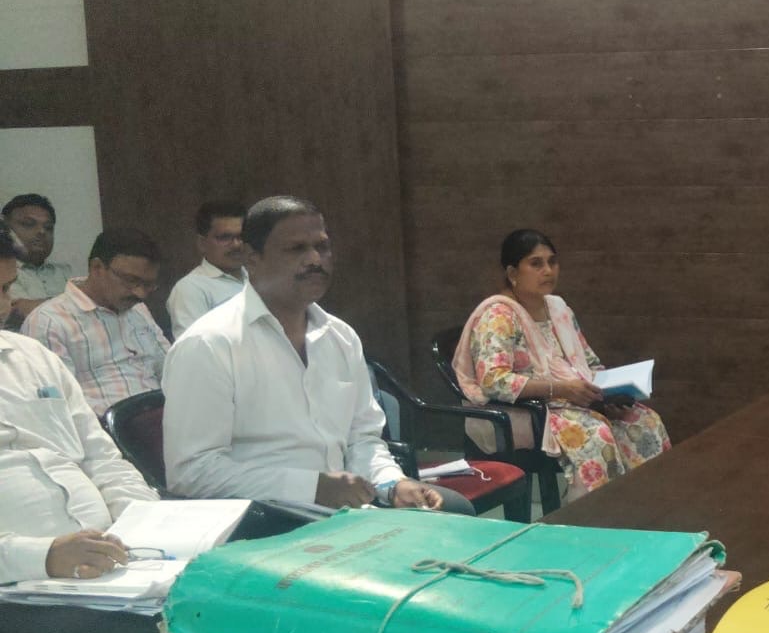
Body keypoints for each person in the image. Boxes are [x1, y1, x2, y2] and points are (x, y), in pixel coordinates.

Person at [162, 196, 470, 514]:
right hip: (267, 517)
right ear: (252, 259)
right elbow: (191, 473)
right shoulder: (209, 344)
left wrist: (391, 484)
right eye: (296, 249)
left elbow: (361, 439)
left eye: (322, 247)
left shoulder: (340, 337)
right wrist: (312, 487)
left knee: (452, 511)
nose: (314, 259)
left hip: (344, 510)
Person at [0, 237, 177, 633]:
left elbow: (101, 456)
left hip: (102, 568)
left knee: (212, 617)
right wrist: (43, 555)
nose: (2, 306)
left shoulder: (29, 357)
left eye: (5, 289)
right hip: (16, 586)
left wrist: (151, 521)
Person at [454, 229, 669, 500]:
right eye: (536, 263)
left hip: (573, 400)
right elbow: (494, 381)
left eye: (552, 262)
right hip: (526, 411)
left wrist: (607, 395)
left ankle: (642, 510)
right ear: (512, 272)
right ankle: (588, 517)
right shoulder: (498, 315)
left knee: (644, 422)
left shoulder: (558, 308)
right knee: (595, 434)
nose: (548, 271)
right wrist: (561, 389)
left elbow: (589, 363)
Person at [20, 227, 169, 415]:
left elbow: (171, 369)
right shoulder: (49, 322)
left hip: (162, 415)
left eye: (148, 285)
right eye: (131, 280)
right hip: (106, 426)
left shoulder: (138, 310)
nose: (140, 293)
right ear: (97, 268)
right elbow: (58, 404)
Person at [167, 200, 248, 337]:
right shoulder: (191, 288)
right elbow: (194, 345)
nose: (236, 245)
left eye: (242, 236)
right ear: (202, 243)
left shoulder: (259, 277)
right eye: (225, 237)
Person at [3, 193, 72, 327]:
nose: (41, 231)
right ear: (5, 228)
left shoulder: (65, 272)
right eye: (29, 224)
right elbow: (18, 312)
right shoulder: (4, 273)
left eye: (48, 227)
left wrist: (35, 306)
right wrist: (74, 304)